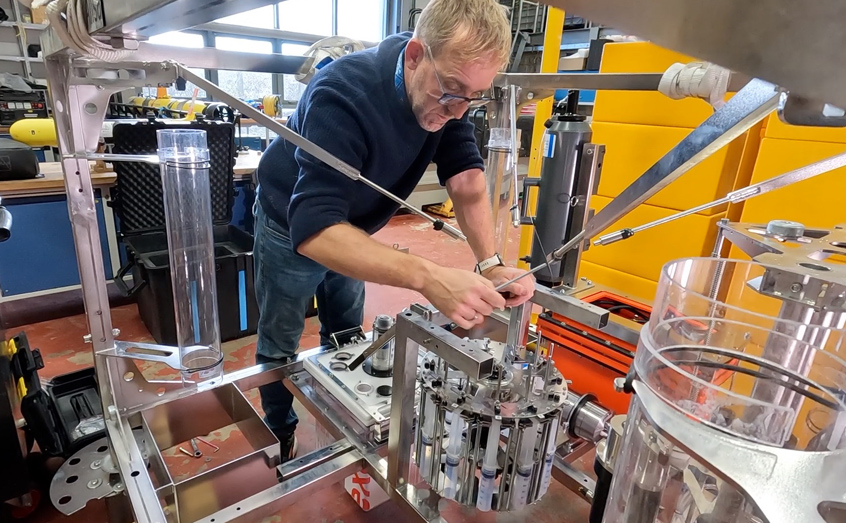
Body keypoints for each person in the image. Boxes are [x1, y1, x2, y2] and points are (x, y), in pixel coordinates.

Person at [253, 0, 535, 461]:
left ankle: (338, 422)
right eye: (452, 90)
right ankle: (279, 433)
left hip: (355, 228)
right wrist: (429, 277)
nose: (459, 109)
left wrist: (492, 263)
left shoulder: (449, 101)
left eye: (474, 96)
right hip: (291, 226)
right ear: (415, 54)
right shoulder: (341, 92)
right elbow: (315, 229)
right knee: (281, 341)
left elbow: (465, 179)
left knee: (345, 333)